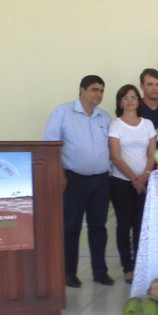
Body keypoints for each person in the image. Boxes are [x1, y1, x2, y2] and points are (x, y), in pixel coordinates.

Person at [43, 75, 113, 288]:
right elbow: (51, 147)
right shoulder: (63, 113)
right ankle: (68, 273)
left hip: (101, 180)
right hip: (73, 180)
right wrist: (61, 175)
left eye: (101, 90)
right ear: (81, 91)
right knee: (71, 227)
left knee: (98, 228)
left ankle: (100, 272)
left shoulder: (104, 117)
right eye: (94, 89)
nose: (98, 94)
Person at [108, 84, 156, 285]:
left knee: (140, 225)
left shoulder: (147, 124)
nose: (130, 101)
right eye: (126, 97)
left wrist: (144, 176)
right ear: (120, 102)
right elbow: (115, 157)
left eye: (134, 97)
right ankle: (127, 267)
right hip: (121, 182)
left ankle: (139, 264)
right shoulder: (115, 125)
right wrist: (134, 180)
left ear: (139, 101)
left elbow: (152, 154)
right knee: (124, 224)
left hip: (145, 181)